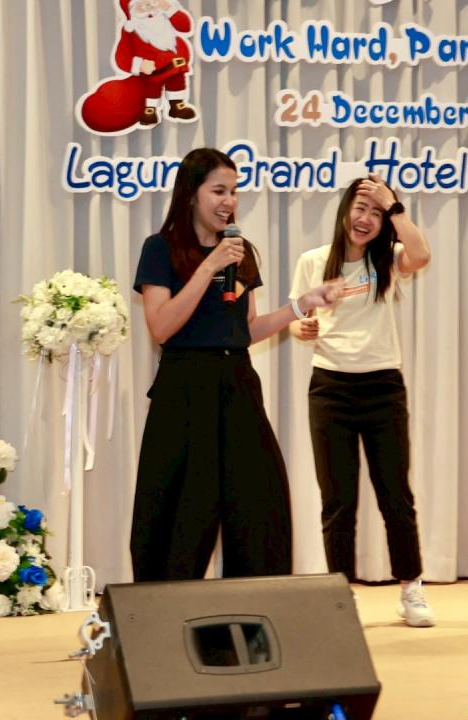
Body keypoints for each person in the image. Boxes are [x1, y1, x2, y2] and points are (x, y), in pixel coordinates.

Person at [130, 148, 342, 582]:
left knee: (258, 500)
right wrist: (208, 266)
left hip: (237, 383)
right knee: (182, 508)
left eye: (234, 191)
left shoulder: (240, 253)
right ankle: (166, 606)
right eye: (219, 191)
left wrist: (302, 304)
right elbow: (161, 326)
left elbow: (246, 329)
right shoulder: (161, 248)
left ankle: (257, 601)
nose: (229, 201)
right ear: (192, 194)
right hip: (185, 387)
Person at [288, 174, 435, 628]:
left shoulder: (386, 259)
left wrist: (395, 208)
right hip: (329, 387)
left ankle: (411, 588)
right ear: (344, 211)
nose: (366, 218)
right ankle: (341, 594)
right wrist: (300, 328)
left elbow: (421, 255)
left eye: (376, 212)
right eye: (360, 207)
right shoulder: (314, 261)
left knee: (396, 496)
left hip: (383, 386)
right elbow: (295, 315)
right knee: (338, 501)